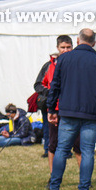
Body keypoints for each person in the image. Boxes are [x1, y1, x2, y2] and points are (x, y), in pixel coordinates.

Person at [46, 28, 96, 190]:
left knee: (62, 150)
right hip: (92, 113)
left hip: (68, 111)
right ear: (94, 43)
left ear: (77, 40)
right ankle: (83, 189)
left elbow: (55, 86)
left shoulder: (64, 59)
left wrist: (52, 108)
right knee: (87, 151)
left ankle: (54, 188)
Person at [35, 35, 73, 163]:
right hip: (51, 105)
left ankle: (67, 151)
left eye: (68, 47)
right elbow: (37, 84)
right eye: (63, 47)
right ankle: (48, 150)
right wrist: (50, 92)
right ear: (58, 48)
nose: (66, 50)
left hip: (69, 105)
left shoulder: (75, 64)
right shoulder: (49, 66)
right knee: (49, 131)